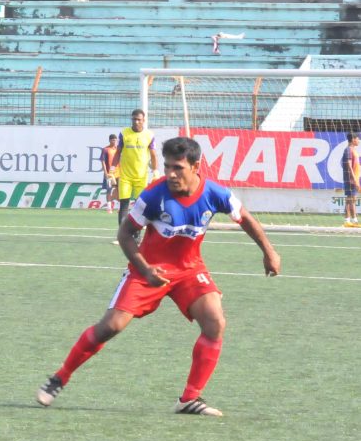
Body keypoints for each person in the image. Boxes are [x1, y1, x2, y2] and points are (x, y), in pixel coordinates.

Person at [36, 137, 281, 417]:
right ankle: (60, 377)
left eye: (177, 167)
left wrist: (269, 252)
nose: (171, 174)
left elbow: (245, 218)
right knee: (111, 326)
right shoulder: (154, 195)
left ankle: (189, 399)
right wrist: (144, 269)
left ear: (196, 166)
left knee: (215, 322)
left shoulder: (215, 193)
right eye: (167, 167)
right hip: (148, 270)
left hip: (190, 270)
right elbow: (125, 234)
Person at [113, 109, 159, 243]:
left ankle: (137, 236)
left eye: (139, 119)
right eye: (134, 119)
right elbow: (118, 152)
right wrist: (112, 169)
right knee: (124, 205)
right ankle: (122, 236)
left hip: (141, 177)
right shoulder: (124, 133)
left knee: (139, 207)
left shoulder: (149, 135)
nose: (136, 121)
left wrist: (155, 171)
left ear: (144, 120)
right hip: (125, 176)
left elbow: (153, 155)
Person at [341, 132, 360, 227]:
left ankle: (354, 221)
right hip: (351, 179)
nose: (359, 140)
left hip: (354, 178)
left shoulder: (353, 150)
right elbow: (348, 165)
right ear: (353, 139)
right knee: (349, 199)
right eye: (357, 138)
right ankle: (347, 221)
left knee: (353, 200)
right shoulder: (348, 150)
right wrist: (354, 179)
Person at [100, 133, 120, 213]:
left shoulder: (118, 149)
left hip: (118, 173)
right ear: (109, 140)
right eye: (112, 140)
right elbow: (103, 161)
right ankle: (109, 207)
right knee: (109, 190)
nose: (114, 141)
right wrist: (105, 173)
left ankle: (119, 207)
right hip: (109, 174)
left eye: (115, 140)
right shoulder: (105, 149)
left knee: (119, 190)